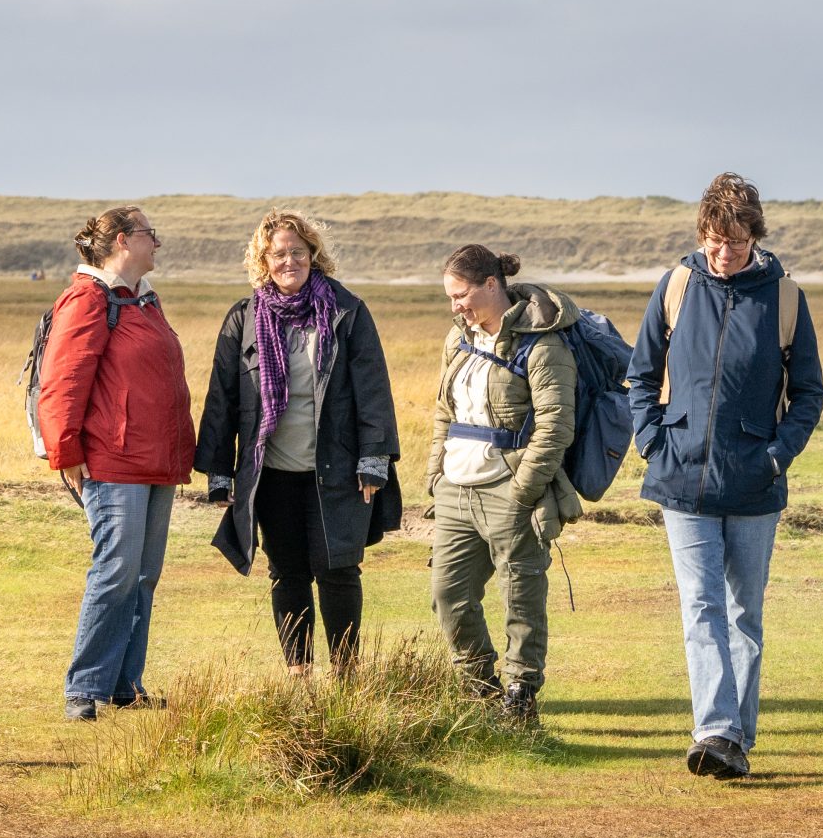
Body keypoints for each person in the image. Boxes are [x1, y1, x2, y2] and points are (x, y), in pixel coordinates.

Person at [625, 174, 823, 779]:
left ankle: (735, 738)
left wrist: (776, 456)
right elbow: (640, 376)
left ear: (755, 237)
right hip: (681, 478)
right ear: (702, 234)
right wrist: (652, 441)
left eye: (736, 242)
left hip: (754, 483)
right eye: (714, 241)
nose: (723, 253)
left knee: (744, 615)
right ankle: (715, 732)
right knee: (701, 605)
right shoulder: (677, 286)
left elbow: (810, 392)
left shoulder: (784, 298)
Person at [195, 212, 401, 676]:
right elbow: (223, 398)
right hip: (272, 474)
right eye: (278, 254)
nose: (289, 261)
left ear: (313, 254)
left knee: (338, 569)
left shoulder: (347, 311)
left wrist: (374, 458)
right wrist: (219, 471)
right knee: (286, 572)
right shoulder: (244, 318)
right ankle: (299, 677)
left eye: (298, 252)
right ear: (263, 261)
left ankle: (347, 676)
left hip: (338, 470)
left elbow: (373, 389)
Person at [36, 205, 195, 721]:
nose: (158, 243)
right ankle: (84, 687)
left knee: (143, 575)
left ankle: (126, 684)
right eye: (151, 234)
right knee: (116, 570)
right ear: (124, 241)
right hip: (114, 461)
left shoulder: (143, 300)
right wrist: (65, 452)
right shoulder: (89, 298)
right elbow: (62, 380)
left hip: (155, 461)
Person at [426, 245, 581, 725]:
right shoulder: (458, 340)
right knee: (448, 594)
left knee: (521, 596)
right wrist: (435, 476)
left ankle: (520, 695)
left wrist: (523, 491)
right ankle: (479, 690)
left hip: (510, 489)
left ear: (492, 284)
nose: (456, 306)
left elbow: (556, 424)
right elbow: (444, 411)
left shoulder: (543, 345)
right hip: (455, 489)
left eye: (462, 295)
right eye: (450, 297)